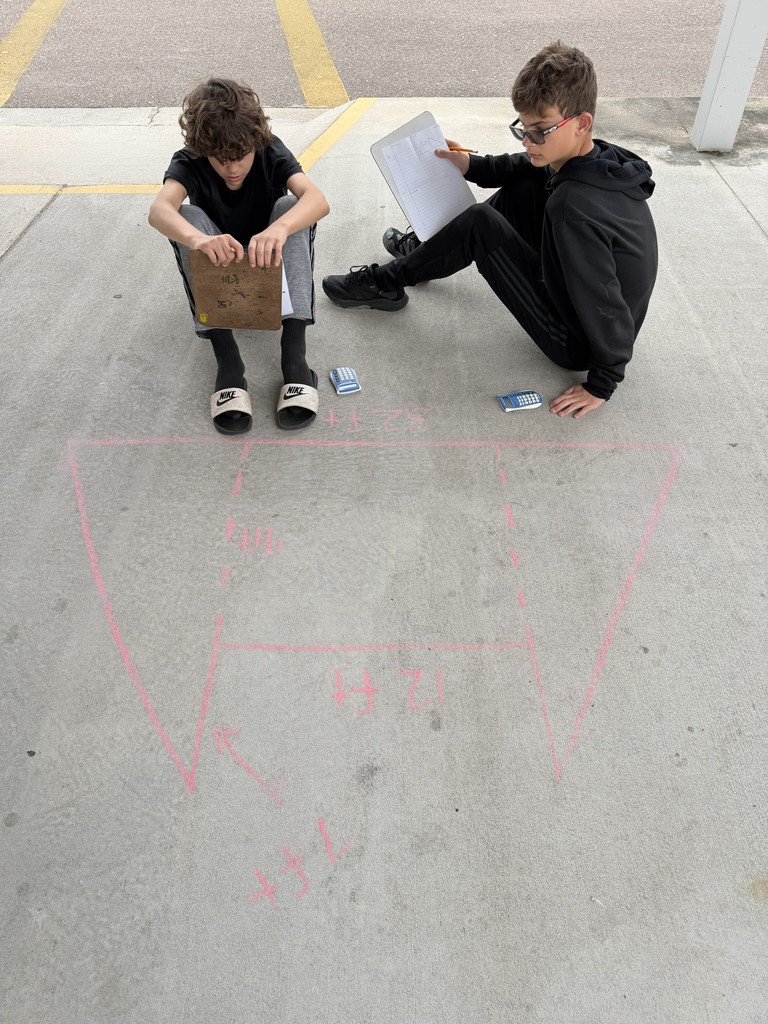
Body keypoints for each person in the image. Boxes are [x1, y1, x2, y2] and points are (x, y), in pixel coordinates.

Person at [322, 42, 657, 419]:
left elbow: (604, 299)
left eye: (540, 132)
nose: (529, 142)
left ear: (582, 123)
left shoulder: (573, 210)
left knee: (480, 223)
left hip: (577, 339)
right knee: (527, 184)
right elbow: (527, 165)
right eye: (523, 129)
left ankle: (387, 282)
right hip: (575, 292)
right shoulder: (599, 159)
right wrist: (472, 165)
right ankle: (431, 252)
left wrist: (603, 382)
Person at [149, 78, 330, 432]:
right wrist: (200, 240)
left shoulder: (268, 147)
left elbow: (318, 200)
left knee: (291, 207)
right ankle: (228, 361)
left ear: (254, 142)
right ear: (204, 149)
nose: (233, 169)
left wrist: (279, 229)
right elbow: (158, 211)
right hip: (222, 261)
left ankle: (295, 356)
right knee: (185, 217)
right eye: (221, 160)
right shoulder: (190, 159)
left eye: (241, 157)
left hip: (270, 259)